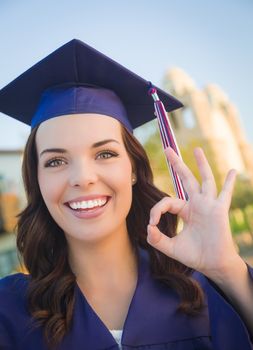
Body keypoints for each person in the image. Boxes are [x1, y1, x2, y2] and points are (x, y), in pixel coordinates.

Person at [0, 39, 252, 350]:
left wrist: (226, 267)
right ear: (36, 180)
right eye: (55, 161)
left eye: (104, 154)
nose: (82, 178)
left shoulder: (199, 290)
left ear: (133, 168)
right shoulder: (8, 312)